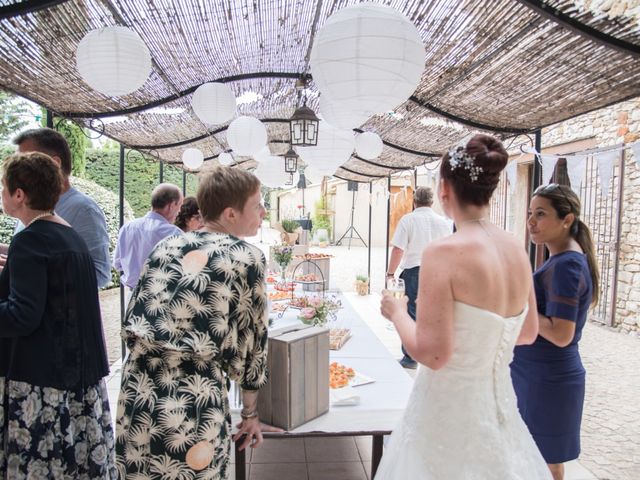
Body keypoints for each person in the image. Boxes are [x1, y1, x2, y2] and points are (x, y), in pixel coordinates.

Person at [375, 134, 552, 479]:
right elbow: (528, 332)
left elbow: (433, 355)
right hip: (499, 410)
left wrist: (397, 313)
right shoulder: (516, 248)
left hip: (447, 414)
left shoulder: (443, 252)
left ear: (444, 189)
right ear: (491, 190)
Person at [116, 166, 281, 479]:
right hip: (191, 397)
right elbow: (251, 343)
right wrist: (250, 413)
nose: (263, 211)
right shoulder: (247, 257)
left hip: (136, 391)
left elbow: (135, 318)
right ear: (231, 213)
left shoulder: (166, 246)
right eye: (258, 204)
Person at [0, 152, 116, 478]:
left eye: (3, 188)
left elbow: (23, 315)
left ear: (19, 194)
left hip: (39, 382)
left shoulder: (30, 240)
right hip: (77, 380)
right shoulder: (69, 234)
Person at [511, 184, 599, 480]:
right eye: (529, 213)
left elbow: (562, 334)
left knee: (544, 465)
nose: (531, 222)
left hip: (547, 379)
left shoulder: (566, 265)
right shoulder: (562, 259)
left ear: (567, 220)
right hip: (537, 376)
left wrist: (519, 304)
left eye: (540, 214)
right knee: (539, 463)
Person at [2, 128, 112, 287]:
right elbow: (30, 254)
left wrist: (25, 273)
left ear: (54, 164)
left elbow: (100, 274)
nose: (15, 169)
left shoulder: (84, 210)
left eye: (25, 160)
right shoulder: (30, 207)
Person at [386, 186, 452, 369]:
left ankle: (410, 357)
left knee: (411, 313)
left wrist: (390, 273)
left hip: (414, 272)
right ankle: (432, 352)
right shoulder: (444, 222)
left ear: (414, 202)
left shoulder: (408, 220)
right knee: (433, 313)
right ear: (432, 202)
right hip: (438, 271)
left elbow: (398, 249)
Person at [112, 183, 183, 294]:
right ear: (171, 205)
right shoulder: (174, 233)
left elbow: (117, 264)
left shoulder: (127, 227)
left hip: (132, 296)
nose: (179, 211)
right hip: (161, 298)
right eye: (179, 206)